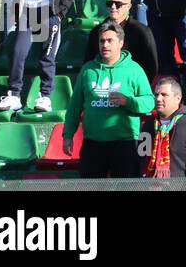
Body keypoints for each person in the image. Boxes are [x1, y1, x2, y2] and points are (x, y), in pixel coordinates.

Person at [63, 20, 155, 178]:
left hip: (125, 143)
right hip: (93, 143)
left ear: (121, 43)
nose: (104, 45)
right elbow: (74, 106)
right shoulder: (88, 70)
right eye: (102, 41)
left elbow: (149, 102)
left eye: (109, 41)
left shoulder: (134, 70)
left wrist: (127, 101)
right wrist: (68, 135)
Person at [140, 76, 186, 178]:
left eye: (164, 95)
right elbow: (140, 162)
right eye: (156, 94)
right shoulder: (148, 125)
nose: (158, 98)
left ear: (178, 98)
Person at [81, 0, 158, 81]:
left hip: (131, 86)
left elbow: (151, 67)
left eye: (118, 4)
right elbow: (89, 62)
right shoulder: (96, 32)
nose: (113, 7)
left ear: (128, 7)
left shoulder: (141, 31)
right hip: (101, 84)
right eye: (110, 3)